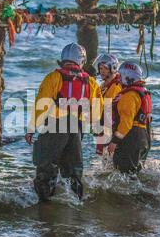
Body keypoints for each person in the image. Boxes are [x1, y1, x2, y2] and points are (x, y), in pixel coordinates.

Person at [25, 43, 103, 201]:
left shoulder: (54, 77)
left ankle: (44, 203)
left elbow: (42, 104)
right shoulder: (91, 82)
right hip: (77, 128)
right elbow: (97, 110)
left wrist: (31, 128)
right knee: (73, 170)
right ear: (81, 61)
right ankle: (76, 203)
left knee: (47, 166)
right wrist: (96, 129)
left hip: (55, 125)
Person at [107, 61, 152, 175]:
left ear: (128, 77)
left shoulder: (129, 95)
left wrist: (114, 141)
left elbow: (126, 123)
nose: (119, 79)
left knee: (124, 174)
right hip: (144, 137)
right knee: (134, 175)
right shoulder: (143, 93)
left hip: (131, 137)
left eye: (121, 76)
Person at [93, 54, 123, 155]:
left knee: (109, 159)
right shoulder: (103, 85)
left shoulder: (115, 87)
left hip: (111, 128)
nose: (102, 71)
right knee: (105, 160)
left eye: (105, 68)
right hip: (104, 126)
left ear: (113, 68)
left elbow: (109, 110)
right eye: (100, 68)